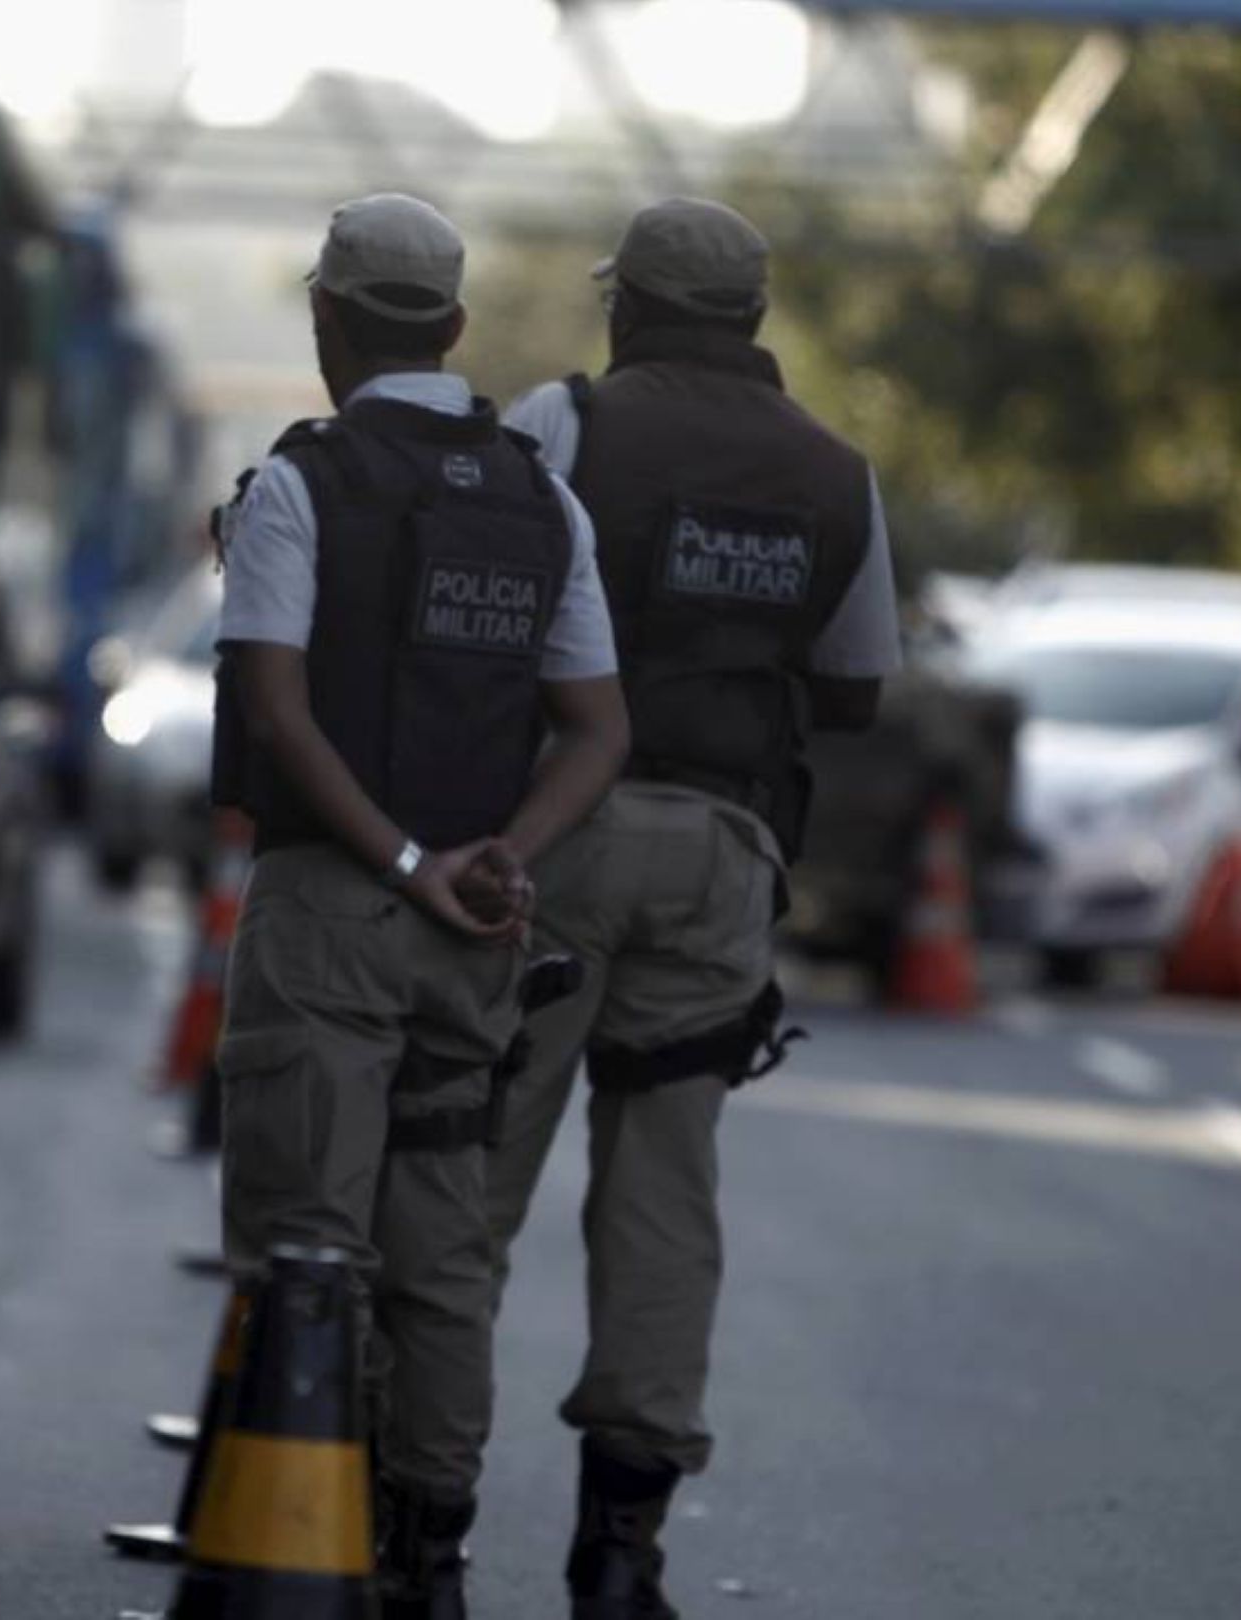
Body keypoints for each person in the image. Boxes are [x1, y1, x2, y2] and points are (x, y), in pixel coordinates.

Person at [210, 192, 629, 1618]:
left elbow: (272, 709)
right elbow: (597, 729)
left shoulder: (301, 485)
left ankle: (292, 1560)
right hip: (476, 944)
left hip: (335, 915)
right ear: (453, 329)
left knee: (304, 1245)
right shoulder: (538, 496)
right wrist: (501, 854)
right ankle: (428, 1559)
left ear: (327, 319)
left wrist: (399, 863)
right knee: (443, 1260)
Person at [481, 198, 901, 1619]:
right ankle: (621, 1555)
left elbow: (483, 604)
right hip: (725, 858)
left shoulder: (566, 422)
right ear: (757, 320)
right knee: (665, 1201)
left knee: (468, 1171)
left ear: (631, 308)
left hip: (559, 836)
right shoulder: (839, 472)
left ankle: (411, 1521)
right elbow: (853, 691)